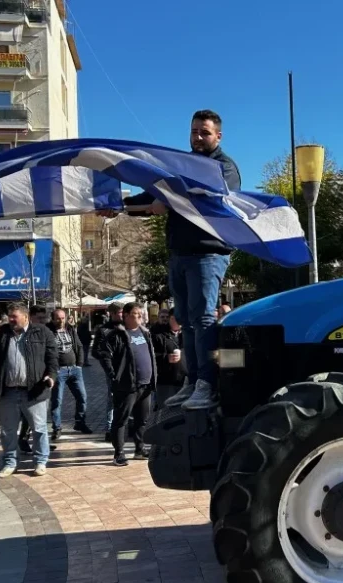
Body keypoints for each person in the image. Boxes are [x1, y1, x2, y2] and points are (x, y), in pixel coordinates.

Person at [110, 110, 238, 411]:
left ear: (218, 136)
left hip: (208, 254)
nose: (197, 137)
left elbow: (211, 195)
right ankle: (193, 381)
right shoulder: (182, 167)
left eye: (204, 132)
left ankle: (206, 383)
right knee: (187, 321)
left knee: (204, 319)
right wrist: (118, 206)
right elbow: (154, 192)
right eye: (194, 131)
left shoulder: (224, 167)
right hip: (179, 254)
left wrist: (165, 201)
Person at [0, 303, 57, 478]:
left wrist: (51, 376)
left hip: (34, 390)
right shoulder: (2, 333)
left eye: (14, 316)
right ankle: (10, 462)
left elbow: (52, 358)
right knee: (8, 430)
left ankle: (40, 461)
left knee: (39, 428)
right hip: (8, 391)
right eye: (9, 316)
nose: (10, 319)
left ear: (25, 317)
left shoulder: (42, 332)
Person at [96, 302, 156, 466]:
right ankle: (119, 453)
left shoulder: (145, 333)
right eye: (136, 314)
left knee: (141, 420)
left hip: (145, 385)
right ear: (126, 315)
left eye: (141, 314)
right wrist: (114, 376)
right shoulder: (116, 335)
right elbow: (103, 355)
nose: (140, 317)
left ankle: (139, 449)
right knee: (121, 420)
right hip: (127, 386)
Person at [47, 308, 91, 439]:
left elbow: (79, 346)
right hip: (58, 371)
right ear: (53, 318)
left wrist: (80, 364)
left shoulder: (70, 329)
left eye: (62, 318)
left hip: (74, 369)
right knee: (57, 401)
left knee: (82, 397)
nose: (61, 321)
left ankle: (80, 422)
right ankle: (57, 428)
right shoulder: (48, 331)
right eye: (58, 318)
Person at [92, 302, 124, 441]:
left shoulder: (127, 327)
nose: (121, 315)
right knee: (112, 398)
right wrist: (107, 359)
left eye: (122, 312)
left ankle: (126, 425)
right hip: (112, 369)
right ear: (111, 314)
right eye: (118, 312)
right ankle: (109, 429)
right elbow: (95, 351)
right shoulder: (104, 330)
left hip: (127, 368)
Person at [152, 308, 186, 408]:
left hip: (183, 380)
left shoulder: (186, 333)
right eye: (177, 319)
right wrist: (166, 358)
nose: (180, 322)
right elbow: (150, 356)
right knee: (165, 410)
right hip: (165, 380)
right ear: (171, 319)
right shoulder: (158, 334)